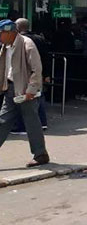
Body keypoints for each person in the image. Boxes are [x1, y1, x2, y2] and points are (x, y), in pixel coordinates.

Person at [0, 19, 50, 167]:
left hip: (25, 89)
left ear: (10, 32)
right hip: (10, 88)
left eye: (1, 33)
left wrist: (31, 90)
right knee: (3, 120)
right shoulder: (5, 45)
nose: (0, 36)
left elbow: (36, 68)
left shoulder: (27, 44)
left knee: (31, 122)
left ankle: (40, 154)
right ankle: (41, 154)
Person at [12, 19, 48, 132]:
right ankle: (42, 122)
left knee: (21, 99)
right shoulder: (39, 39)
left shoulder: (19, 40)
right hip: (37, 72)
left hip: (22, 72)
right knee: (38, 96)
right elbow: (45, 57)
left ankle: (21, 126)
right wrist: (46, 74)